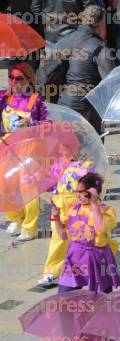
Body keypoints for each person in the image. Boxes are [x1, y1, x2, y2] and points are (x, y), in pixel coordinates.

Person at [49, 172, 120, 341]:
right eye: (77, 191)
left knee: (100, 307)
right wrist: (55, 218)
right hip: (74, 258)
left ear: (92, 191)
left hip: (97, 259)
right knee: (62, 302)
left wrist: (95, 203)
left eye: (82, 192)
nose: (78, 195)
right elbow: (64, 236)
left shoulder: (106, 210)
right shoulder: (73, 208)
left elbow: (99, 228)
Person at [1, 62, 49, 242]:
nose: (14, 82)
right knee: (5, 185)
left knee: (28, 189)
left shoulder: (36, 100)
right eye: (11, 78)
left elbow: (48, 124)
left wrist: (30, 124)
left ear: (29, 80)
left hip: (29, 149)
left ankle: (29, 227)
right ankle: (15, 217)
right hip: (7, 147)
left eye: (19, 78)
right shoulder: (5, 98)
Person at [54, 5, 114, 136]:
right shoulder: (99, 48)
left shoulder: (64, 41)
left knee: (66, 152)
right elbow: (111, 81)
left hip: (62, 107)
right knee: (91, 153)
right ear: (100, 23)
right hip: (86, 113)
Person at [38, 152, 95, 287]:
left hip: (79, 208)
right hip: (59, 207)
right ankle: (52, 271)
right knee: (58, 239)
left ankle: (86, 268)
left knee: (81, 239)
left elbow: (93, 186)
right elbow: (51, 183)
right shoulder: (58, 164)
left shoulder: (87, 166)